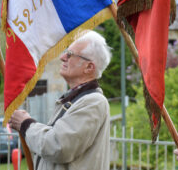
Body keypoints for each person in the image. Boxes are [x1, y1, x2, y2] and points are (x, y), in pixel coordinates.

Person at [8, 30, 112, 170]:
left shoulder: (93, 102)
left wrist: (26, 124)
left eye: (70, 55)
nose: (63, 57)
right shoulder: (75, 99)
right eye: (66, 52)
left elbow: (58, 146)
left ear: (89, 67)